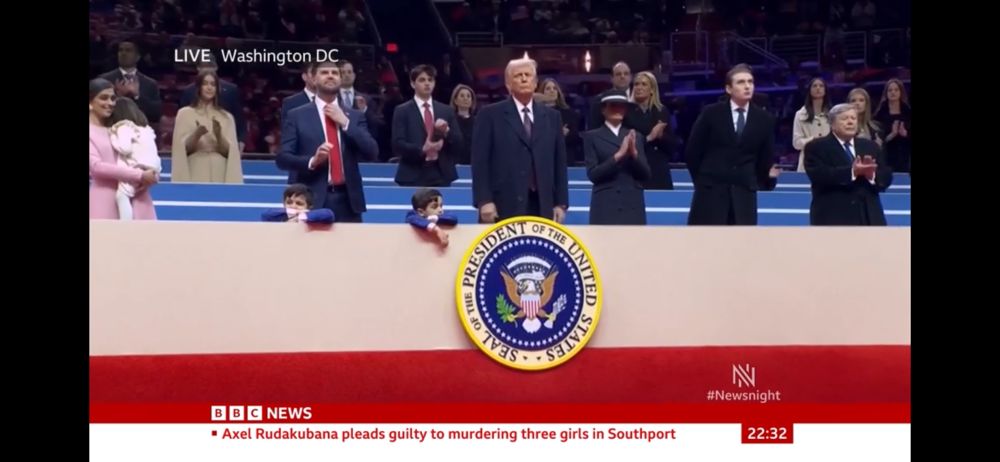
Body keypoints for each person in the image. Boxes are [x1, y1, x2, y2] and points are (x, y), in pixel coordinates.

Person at [276, 60, 379, 223]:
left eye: (335, 73)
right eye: (324, 72)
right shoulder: (297, 115)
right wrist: (312, 161)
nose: (330, 75)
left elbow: (372, 152)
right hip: (310, 199)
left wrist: (345, 123)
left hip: (348, 201)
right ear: (313, 79)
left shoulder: (354, 116)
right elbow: (282, 158)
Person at [471, 58, 569, 223]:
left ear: (536, 82)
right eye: (518, 76)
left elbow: (559, 162)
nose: (524, 79)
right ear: (508, 84)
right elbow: (479, 162)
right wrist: (484, 201)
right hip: (503, 204)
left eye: (528, 75)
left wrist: (561, 203)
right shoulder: (490, 115)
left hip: (542, 204)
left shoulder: (552, 117)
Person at [684, 64, 777, 225]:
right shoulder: (711, 113)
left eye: (750, 82)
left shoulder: (764, 119)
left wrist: (762, 181)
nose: (747, 86)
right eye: (741, 82)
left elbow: (765, 157)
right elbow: (693, 152)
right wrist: (703, 183)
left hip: (743, 196)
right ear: (728, 88)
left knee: (740, 248)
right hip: (710, 194)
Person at [804, 103, 892, 225]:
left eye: (853, 118)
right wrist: (852, 172)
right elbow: (819, 175)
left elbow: (886, 175)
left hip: (869, 217)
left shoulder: (870, 146)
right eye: (844, 119)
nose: (850, 122)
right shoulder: (816, 147)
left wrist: (872, 175)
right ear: (832, 124)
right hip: (833, 217)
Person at [89, 78, 158, 220]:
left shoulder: (122, 127)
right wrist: (139, 176)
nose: (110, 103)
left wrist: (152, 174)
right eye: (103, 98)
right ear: (90, 103)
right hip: (105, 200)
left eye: (113, 98)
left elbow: (144, 154)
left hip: (138, 198)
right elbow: (96, 167)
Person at [583, 90, 651, 225]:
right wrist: (618, 156)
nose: (618, 109)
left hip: (632, 204)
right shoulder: (592, 137)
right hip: (605, 205)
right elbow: (593, 174)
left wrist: (634, 155)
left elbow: (646, 174)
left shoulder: (635, 136)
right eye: (613, 105)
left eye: (621, 106)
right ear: (603, 110)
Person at [392, 65, 464, 187]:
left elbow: (459, 143)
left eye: (430, 80)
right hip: (412, 173)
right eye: (422, 80)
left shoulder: (446, 111)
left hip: (441, 174)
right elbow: (397, 144)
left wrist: (447, 131)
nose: (427, 83)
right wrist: (422, 149)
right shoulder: (402, 111)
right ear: (412, 84)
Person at [170, 71, 243, 183]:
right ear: (198, 87)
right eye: (205, 84)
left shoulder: (227, 117)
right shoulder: (184, 114)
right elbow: (181, 150)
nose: (209, 88)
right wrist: (197, 134)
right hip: (195, 170)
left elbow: (230, 153)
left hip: (220, 173)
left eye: (213, 84)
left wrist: (219, 135)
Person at [178, 53, 246, 150]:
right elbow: (183, 123)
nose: (207, 70)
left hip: (225, 140)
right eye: (204, 67)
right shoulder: (188, 91)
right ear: (198, 68)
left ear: (216, 68)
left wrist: (241, 141)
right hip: (197, 144)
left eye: (210, 66)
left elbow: (239, 118)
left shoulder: (231, 90)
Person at [108, 98, 161, 220]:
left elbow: (125, 149)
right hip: (154, 168)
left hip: (140, 167)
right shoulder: (146, 129)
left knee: (121, 195)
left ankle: (126, 225)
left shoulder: (123, 127)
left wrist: (113, 138)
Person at [98, 39, 163, 130]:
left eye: (128, 50)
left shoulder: (150, 84)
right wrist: (117, 97)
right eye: (121, 50)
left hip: (139, 133)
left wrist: (137, 95)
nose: (123, 53)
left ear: (138, 57)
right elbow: (96, 109)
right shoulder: (104, 80)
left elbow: (156, 114)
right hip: (109, 130)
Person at [625, 71, 675, 189]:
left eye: (644, 84)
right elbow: (624, 142)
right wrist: (649, 138)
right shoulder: (626, 112)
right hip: (636, 167)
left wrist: (661, 136)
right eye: (636, 84)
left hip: (658, 169)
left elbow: (673, 144)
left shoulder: (662, 111)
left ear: (652, 89)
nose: (639, 87)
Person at [537, 78, 582, 166]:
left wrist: (566, 134)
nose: (552, 91)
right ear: (542, 92)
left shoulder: (569, 113)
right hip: (542, 158)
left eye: (555, 88)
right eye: (548, 88)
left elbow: (576, 138)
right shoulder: (535, 113)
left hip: (564, 157)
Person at [792, 77, 832, 172]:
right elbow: (796, 144)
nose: (818, 88)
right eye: (814, 86)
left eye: (821, 86)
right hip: (807, 162)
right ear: (809, 90)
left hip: (829, 161)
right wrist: (812, 140)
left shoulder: (833, 114)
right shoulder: (800, 114)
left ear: (825, 90)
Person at [873, 78, 911, 173]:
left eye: (896, 90)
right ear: (886, 93)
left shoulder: (908, 112)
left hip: (905, 153)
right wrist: (891, 135)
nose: (893, 92)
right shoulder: (880, 113)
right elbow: (876, 138)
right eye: (890, 90)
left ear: (901, 92)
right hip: (886, 154)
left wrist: (906, 134)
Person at [587, 61, 632, 129]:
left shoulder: (638, 98)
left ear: (630, 77)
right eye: (618, 74)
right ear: (612, 78)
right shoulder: (599, 100)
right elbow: (593, 129)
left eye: (626, 74)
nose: (622, 76)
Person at [260, 183, 335, 223]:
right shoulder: (279, 216)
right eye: (289, 202)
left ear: (309, 207)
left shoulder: (312, 217)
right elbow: (265, 215)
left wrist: (300, 218)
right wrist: (292, 212)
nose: (293, 206)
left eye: (299, 203)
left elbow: (328, 214)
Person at [449, 84, 477, 165]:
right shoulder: (450, 120)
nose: (466, 98)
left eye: (468, 96)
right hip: (454, 163)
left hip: (473, 162)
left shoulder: (478, 121)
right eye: (462, 96)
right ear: (455, 100)